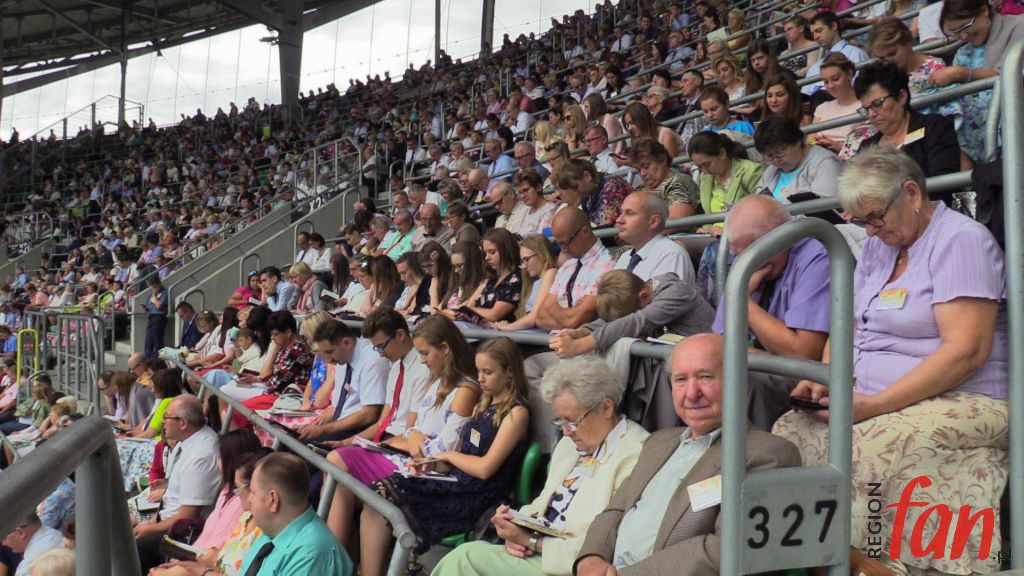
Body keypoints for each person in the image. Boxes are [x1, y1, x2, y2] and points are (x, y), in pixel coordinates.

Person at [774, 147, 1011, 575]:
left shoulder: (961, 240)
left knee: (868, 447)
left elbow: (966, 352)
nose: (870, 230)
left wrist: (875, 405)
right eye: (860, 221)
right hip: (875, 395)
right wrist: (826, 379)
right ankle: (820, 557)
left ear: (912, 193)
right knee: (790, 432)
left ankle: (877, 565)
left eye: (876, 217)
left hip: (966, 395)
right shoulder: (878, 246)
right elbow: (847, 327)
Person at [574, 334, 801, 575]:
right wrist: (590, 558)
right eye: (681, 379)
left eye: (705, 377)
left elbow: (728, 549)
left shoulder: (769, 454)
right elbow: (616, 511)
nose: (691, 393)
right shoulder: (658, 443)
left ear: (738, 381)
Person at [433, 355, 649, 576]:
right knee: (467, 556)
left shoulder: (636, 455)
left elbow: (609, 544)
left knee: (465, 559)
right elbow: (543, 503)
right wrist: (514, 526)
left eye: (573, 421)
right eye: (560, 421)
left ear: (606, 408)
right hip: (542, 550)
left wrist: (532, 541)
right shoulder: (569, 446)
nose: (566, 432)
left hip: (573, 564)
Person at [362, 338, 529, 576]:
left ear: (509, 373)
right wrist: (432, 465)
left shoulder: (516, 414)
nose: (480, 378)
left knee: (384, 493)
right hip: (457, 482)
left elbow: (485, 468)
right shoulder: (483, 406)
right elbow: (464, 458)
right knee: (377, 494)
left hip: (477, 495)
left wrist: (448, 455)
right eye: (479, 371)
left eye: (488, 372)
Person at [323, 309, 432, 547]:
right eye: (376, 348)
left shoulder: (422, 368)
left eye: (382, 346)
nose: (380, 354)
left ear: (400, 335)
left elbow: (410, 430)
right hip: (386, 440)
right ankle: (338, 552)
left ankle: (333, 553)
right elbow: (382, 422)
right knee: (329, 461)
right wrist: (348, 442)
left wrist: (370, 444)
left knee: (335, 464)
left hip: (400, 445)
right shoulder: (396, 366)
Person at [134, 396, 221, 571]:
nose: (162, 421)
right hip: (166, 518)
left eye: (166, 417)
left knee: (129, 551)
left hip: (180, 533)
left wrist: (151, 529)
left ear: (183, 423)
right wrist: (151, 522)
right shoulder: (186, 442)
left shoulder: (200, 456)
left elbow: (188, 516)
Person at [935, 0, 1024, 164]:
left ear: (984, 11)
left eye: (965, 27)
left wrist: (962, 73)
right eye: (955, 32)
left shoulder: (1019, 27)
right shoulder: (963, 51)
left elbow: (1014, 74)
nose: (963, 36)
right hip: (978, 147)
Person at [854, 61, 962, 196]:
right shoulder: (867, 146)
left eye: (877, 104)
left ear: (901, 97)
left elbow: (944, 186)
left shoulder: (935, 128)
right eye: (866, 109)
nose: (871, 114)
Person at [241, 453, 352, 575]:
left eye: (253, 493)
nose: (249, 499)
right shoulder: (272, 532)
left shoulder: (310, 555)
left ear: (273, 500)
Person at [867, 17, 964, 124]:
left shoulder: (935, 67)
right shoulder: (883, 75)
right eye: (882, 58)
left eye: (892, 54)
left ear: (907, 42)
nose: (888, 61)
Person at [535, 208, 615, 331]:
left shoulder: (607, 265)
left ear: (585, 231)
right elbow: (540, 318)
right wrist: (570, 318)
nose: (564, 250)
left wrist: (554, 309)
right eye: (559, 244)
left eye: (566, 243)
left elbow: (575, 320)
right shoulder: (567, 266)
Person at [687, 132, 764, 237]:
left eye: (707, 164)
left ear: (722, 153)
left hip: (742, 234)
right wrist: (705, 230)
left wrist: (728, 230)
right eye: (699, 167)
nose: (704, 171)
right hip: (713, 235)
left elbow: (761, 212)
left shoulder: (751, 171)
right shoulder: (705, 177)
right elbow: (707, 213)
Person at [754, 115, 841, 205]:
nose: (776, 160)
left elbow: (827, 206)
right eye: (769, 156)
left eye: (780, 152)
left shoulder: (825, 163)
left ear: (797, 141)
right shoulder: (770, 171)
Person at [613, 192, 695, 284]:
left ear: (654, 221)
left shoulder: (671, 255)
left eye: (629, 213)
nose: (619, 220)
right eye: (621, 213)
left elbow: (670, 293)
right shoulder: (625, 257)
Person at [495, 235, 558, 332]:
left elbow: (534, 317)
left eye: (527, 259)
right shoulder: (534, 281)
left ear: (543, 255)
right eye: (522, 261)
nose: (524, 266)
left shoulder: (551, 273)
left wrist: (506, 328)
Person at [629, 138, 701, 223]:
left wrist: (637, 227)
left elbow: (676, 223)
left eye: (646, 166)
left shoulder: (679, 182)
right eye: (638, 169)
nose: (642, 173)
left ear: (662, 159)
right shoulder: (639, 189)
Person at [811, 53, 870, 154]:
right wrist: (818, 143)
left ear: (849, 74)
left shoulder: (866, 105)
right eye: (826, 82)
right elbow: (809, 142)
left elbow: (868, 145)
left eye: (835, 79)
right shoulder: (822, 108)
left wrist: (839, 146)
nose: (830, 86)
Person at [802, 12, 869, 98]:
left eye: (819, 31)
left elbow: (861, 89)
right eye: (813, 34)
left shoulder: (855, 53)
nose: (815, 37)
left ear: (833, 26)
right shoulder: (814, 67)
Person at [552, 159, 632, 228]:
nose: (575, 192)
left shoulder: (612, 185)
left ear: (587, 176)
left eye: (575, 187)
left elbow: (605, 226)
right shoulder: (588, 192)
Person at [4, 512, 63, 576]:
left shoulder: (28, 568)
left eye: (4, 538)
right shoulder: (57, 535)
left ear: (21, 533)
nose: (4, 543)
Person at [513, 170, 558, 236]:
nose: (522, 196)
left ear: (538, 187)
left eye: (526, 190)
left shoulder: (550, 209)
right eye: (520, 192)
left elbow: (542, 238)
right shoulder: (526, 210)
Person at [393, 253, 431, 318]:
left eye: (404, 273)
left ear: (415, 270)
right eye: (400, 274)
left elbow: (412, 314)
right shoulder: (407, 288)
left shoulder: (425, 290)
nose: (401, 278)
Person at [144, 277, 168, 358]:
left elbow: (158, 306)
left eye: (155, 287)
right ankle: (148, 358)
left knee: (158, 341)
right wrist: (146, 308)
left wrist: (154, 295)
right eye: (153, 287)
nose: (154, 289)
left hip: (159, 317)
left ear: (159, 284)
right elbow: (148, 304)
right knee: (148, 341)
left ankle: (159, 360)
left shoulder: (164, 293)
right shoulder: (151, 295)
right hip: (151, 317)